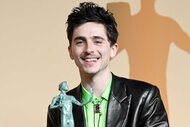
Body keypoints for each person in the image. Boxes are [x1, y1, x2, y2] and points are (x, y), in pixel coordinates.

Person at [47, 2, 169, 127]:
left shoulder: (145, 97)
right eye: (80, 42)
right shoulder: (58, 109)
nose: (89, 49)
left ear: (113, 49)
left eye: (97, 41)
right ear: (70, 52)